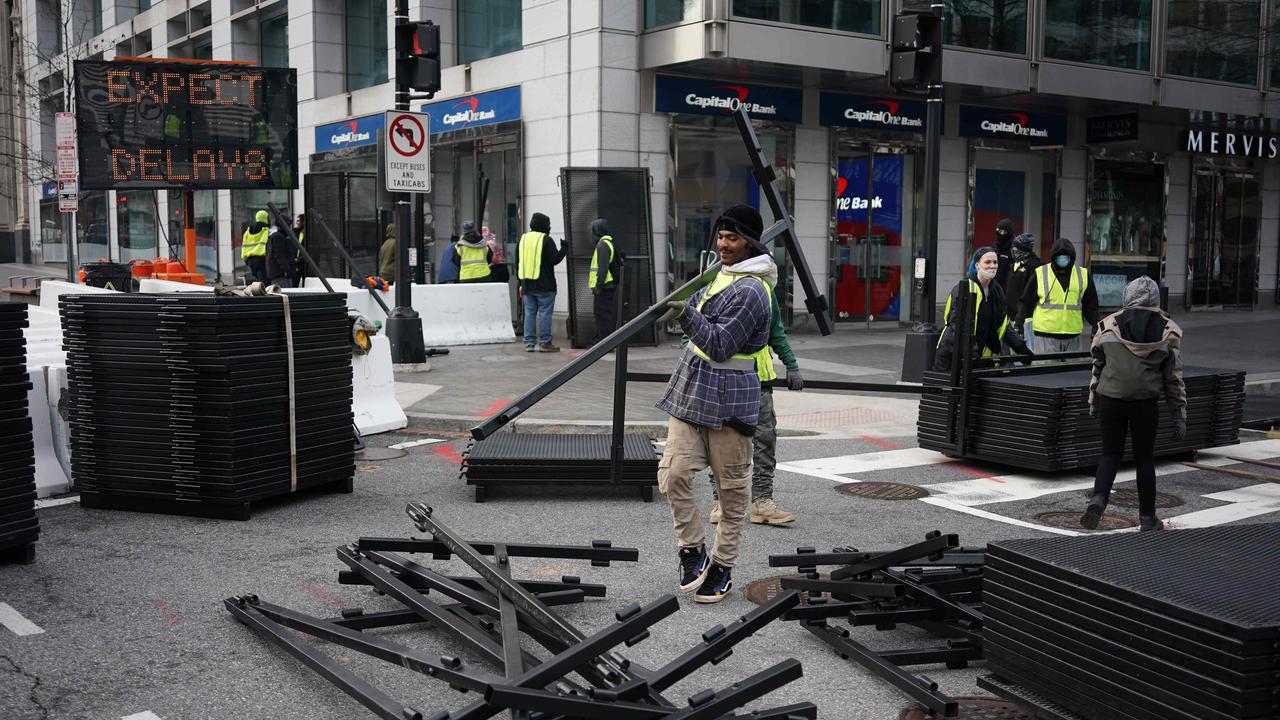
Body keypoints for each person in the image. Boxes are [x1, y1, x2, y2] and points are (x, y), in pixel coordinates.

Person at [655, 204, 775, 605]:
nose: (723, 244)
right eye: (721, 236)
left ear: (750, 242)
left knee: (731, 492)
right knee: (672, 474)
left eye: (733, 238)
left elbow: (722, 344)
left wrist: (685, 315)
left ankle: (722, 565)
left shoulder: (753, 289)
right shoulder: (722, 277)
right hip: (691, 389)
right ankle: (692, 550)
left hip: (731, 398)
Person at [1082, 276, 1186, 532]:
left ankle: (1099, 498)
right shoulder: (1168, 329)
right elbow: (1173, 378)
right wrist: (1179, 414)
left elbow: (1098, 366)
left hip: (1111, 399)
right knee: (1144, 459)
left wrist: (1093, 400)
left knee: (1110, 454)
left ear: (1127, 296)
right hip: (1145, 403)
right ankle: (1148, 519)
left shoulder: (1107, 325)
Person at [707, 263, 804, 526]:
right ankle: (722, 502)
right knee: (722, 443)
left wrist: (791, 364)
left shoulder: (764, 289)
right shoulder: (718, 285)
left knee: (764, 440)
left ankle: (761, 501)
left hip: (758, 381)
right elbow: (693, 333)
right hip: (723, 380)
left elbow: (777, 333)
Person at [933, 247, 1033, 372]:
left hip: (977, 357)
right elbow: (958, 326)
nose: (992, 266)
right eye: (987, 262)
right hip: (952, 356)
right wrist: (972, 352)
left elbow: (1003, 324)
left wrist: (1022, 348)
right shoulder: (963, 288)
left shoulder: (996, 290)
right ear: (977, 265)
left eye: (995, 262)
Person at [1018, 237, 1098, 355]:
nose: (1063, 259)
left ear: (1072, 257)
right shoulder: (1041, 273)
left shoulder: (1083, 274)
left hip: (1073, 336)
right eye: (1059, 256)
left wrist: (1096, 324)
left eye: (1066, 256)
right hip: (1045, 336)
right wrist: (1019, 323)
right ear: (1053, 257)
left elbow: (1090, 305)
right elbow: (1026, 302)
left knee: (1072, 372)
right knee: (1046, 371)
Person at [517, 212, 565, 352]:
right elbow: (554, 259)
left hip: (527, 284)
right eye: (548, 224)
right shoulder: (546, 239)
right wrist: (564, 248)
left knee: (530, 313)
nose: (549, 227)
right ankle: (545, 343)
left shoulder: (523, 239)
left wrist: (521, 283)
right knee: (545, 313)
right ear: (543, 225)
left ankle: (529, 343)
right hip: (545, 285)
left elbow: (518, 262)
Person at [588, 218, 621, 345]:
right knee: (602, 314)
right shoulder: (607, 243)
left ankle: (603, 342)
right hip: (606, 286)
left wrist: (598, 286)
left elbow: (603, 268)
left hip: (604, 286)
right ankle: (601, 339)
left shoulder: (603, 245)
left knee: (603, 315)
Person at [265, 218, 297, 287]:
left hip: (279, 274)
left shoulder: (276, 236)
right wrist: (287, 270)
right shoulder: (278, 236)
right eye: (288, 226)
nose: (289, 228)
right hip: (280, 275)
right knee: (285, 294)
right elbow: (279, 256)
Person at [241, 210, 271, 284]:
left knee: (259, 280)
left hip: (250, 260)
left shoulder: (247, 232)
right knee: (265, 283)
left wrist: (247, 260)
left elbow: (244, 247)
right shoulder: (266, 230)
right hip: (262, 260)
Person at [992, 218, 1015, 290]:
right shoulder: (994, 247)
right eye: (999, 231)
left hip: (1008, 290)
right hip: (993, 288)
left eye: (1004, 232)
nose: (1001, 234)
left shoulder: (1015, 250)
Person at [291, 213, 306, 287]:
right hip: (295, 263)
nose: (296, 223)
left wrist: (299, 259)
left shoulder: (308, 234)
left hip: (304, 264)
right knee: (294, 284)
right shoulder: (294, 232)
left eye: (298, 221)